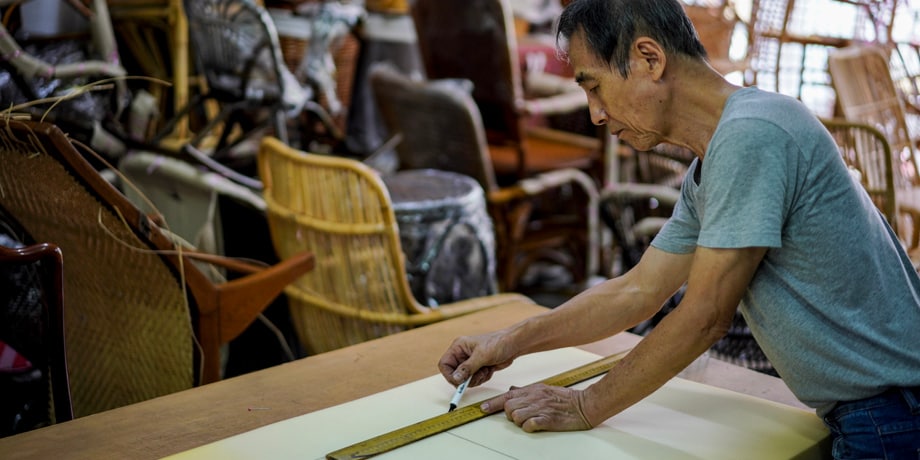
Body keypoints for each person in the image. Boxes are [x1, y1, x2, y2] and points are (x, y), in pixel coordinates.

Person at [437, 0, 920, 457]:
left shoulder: (755, 133)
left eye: (595, 86)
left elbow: (705, 316)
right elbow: (638, 291)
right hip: (880, 411)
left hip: (893, 414)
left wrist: (587, 405)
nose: (595, 113)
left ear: (649, 58)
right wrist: (510, 341)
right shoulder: (715, 161)